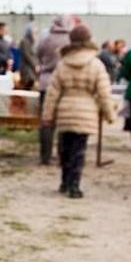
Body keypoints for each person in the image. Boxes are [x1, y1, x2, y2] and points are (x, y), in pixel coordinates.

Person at [41, 25, 116, 199]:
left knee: (65, 148)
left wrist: (47, 115)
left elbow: (52, 93)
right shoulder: (96, 65)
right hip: (86, 111)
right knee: (79, 151)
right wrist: (110, 114)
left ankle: (64, 182)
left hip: (65, 110)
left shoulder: (62, 64)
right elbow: (104, 93)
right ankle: (74, 186)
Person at [36, 15, 73, 165]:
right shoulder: (71, 40)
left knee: (46, 120)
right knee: (63, 121)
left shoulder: (46, 38)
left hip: (46, 82)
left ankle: (45, 156)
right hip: (65, 83)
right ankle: (62, 155)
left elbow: (38, 54)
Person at [19, 23, 39, 90]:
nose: (36, 34)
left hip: (32, 68)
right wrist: (35, 65)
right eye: (34, 32)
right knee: (28, 86)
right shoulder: (24, 41)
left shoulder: (33, 42)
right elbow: (27, 55)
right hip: (27, 68)